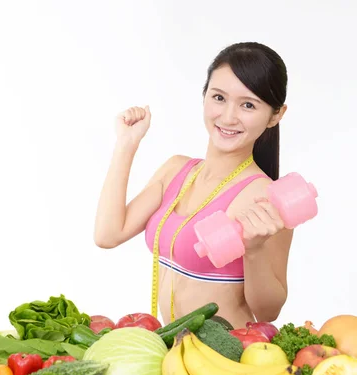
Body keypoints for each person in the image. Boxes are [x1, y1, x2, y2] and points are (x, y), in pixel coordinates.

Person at [94, 42, 293, 330]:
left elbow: (268, 311)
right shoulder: (176, 170)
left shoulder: (267, 198)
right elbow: (107, 235)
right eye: (219, 97)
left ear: (276, 115)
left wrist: (255, 250)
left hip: (227, 358)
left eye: (248, 104)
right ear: (204, 97)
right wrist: (126, 145)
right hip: (172, 352)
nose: (227, 117)